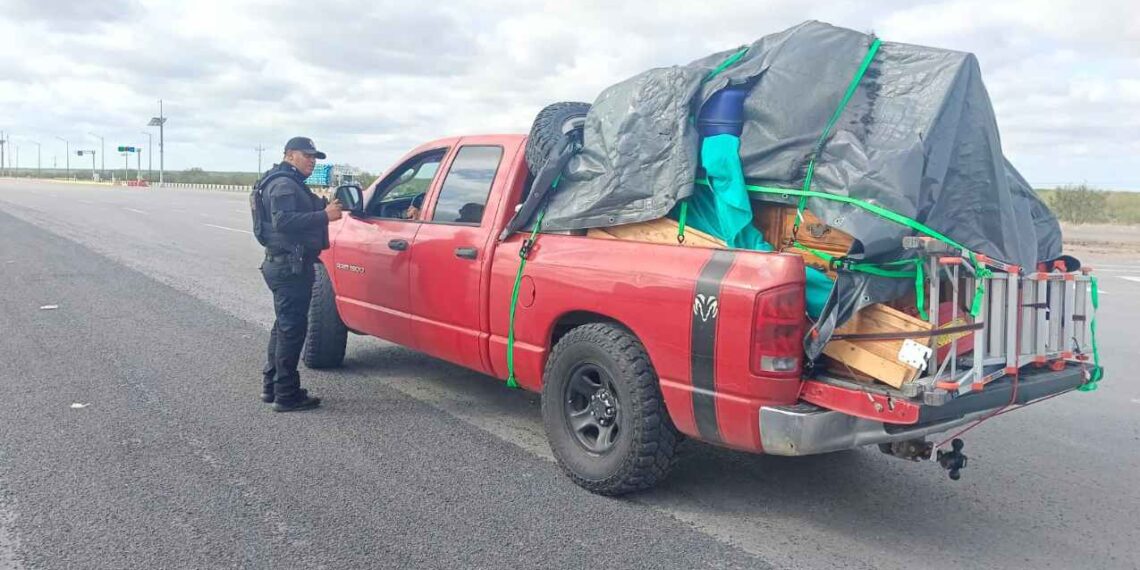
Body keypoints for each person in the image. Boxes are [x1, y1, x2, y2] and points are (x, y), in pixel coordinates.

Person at [255, 137, 344, 412]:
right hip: (289, 267)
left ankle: (272, 386)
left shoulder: (287, 181)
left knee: (283, 327)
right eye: (307, 156)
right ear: (290, 155)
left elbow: (300, 209)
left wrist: (325, 207)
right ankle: (287, 394)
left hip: (284, 264)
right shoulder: (283, 184)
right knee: (292, 331)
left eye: (315, 157)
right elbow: (283, 221)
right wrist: (324, 217)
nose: (312, 161)